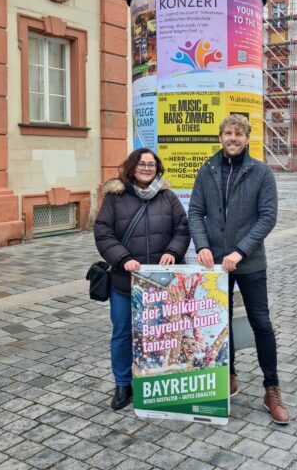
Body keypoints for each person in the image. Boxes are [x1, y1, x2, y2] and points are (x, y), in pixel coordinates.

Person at [188, 114, 289, 424]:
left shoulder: (261, 172)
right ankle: (228, 375)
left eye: (238, 133)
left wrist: (240, 251)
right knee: (221, 323)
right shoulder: (207, 170)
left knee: (261, 323)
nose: (232, 138)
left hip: (250, 262)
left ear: (247, 138)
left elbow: (267, 217)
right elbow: (195, 212)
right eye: (228, 133)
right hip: (216, 266)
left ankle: (271, 388)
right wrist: (202, 246)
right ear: (220, 137)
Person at [94, 148, 190, 410]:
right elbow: (103, 233)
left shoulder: (168, 197)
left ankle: (153, 380)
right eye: (142, 164)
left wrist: (173, 251)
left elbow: (183, 229)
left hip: (161, 284)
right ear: (132, 167)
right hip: (125, 283)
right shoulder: (115, 198)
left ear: (157, 169)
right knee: (123, 333)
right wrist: (123, 258)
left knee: (160, 333)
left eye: (151, 164)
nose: (147, 168)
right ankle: (123, 384)